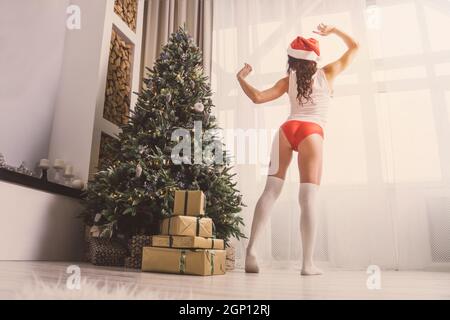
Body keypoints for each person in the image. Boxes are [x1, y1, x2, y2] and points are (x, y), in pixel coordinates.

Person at [236, 23, 359, 275]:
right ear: (315, 59)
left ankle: (251, 252)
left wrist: (240, 78)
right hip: (311, 133)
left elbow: (258, 97)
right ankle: (307, 264)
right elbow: (355, 47)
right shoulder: (329, 72)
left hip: (287, 129)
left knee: (270, 192)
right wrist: (334, 31)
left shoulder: (287, 80)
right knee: (308, 198)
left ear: (292, 60)